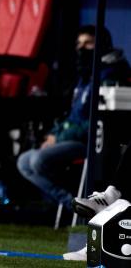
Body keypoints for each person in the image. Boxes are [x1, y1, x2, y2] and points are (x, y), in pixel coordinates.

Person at [17, 26, 131, 213]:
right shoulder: (85, 75)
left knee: (37, 161)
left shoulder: (110, 74)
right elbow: (73, 116)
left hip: (90, 142)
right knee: (24, 161)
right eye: (79, 44)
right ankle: (70, 203)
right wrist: (53, 135)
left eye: (88, 43)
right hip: (70, 138)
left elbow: (97, 121)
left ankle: (74, 208)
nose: (81, 48)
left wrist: (59, 139)